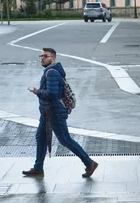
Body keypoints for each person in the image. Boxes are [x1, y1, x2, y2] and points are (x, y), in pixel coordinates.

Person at [23, 48, 98, 178]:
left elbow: (52, 94)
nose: (42, 58)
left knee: (64, 139)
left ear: (53, 58)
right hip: (47, 112)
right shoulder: (50, 71)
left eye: (46, 56)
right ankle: (38, 167)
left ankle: (89, 163)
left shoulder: (52, 73)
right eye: (41, 56)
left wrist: (38, 92)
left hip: (54, 112)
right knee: (41, 137)